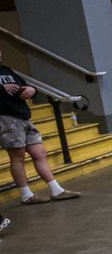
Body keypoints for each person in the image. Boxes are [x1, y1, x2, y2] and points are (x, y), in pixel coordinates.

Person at [0, 53, 80, 204]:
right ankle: (26, 194)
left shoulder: (6, 70)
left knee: (39, 152)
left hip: (23, 116)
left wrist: (31, 90)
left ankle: (56, 190)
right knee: (18, 156)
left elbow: (25, 86)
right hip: (5, 117)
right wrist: (2, 88)